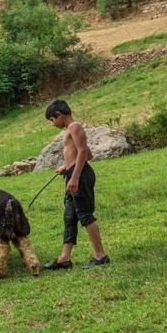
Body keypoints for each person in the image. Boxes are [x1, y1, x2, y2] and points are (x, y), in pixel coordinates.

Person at [42, 100, 109, 270]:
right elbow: (88, 154)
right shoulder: (70, 131)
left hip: (80, 176)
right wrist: (67, 166)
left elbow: (82, 152)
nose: (52, 123)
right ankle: (64, 258)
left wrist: (75, 177)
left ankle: (100, 256)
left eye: (52, 119)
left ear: (59, 114)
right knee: (69, 216)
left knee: (85, 215)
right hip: (73, 173)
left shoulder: (75, 126)